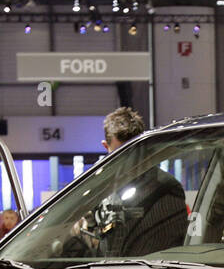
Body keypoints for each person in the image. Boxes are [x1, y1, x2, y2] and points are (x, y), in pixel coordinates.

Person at [62, 107, 187, 258]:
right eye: (120, 154)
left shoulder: (167, 187)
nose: (127, 161)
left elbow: (176, 245)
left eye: (132, 151)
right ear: (105, 146)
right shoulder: (95, 187)